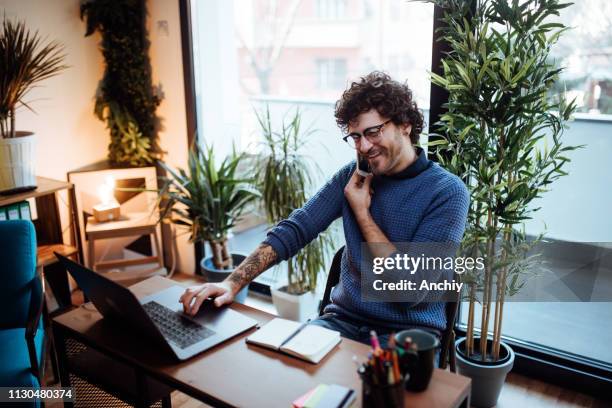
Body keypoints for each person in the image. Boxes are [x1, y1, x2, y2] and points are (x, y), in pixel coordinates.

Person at [180, 71, 469, 347]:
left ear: (405, 124)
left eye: (373, 132)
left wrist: (363, 214)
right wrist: (233, 283)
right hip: (341, 322)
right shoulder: (352, 176)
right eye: (355, 137)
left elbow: (410, 291)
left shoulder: (447, 192)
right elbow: (296, 228)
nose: (364, 146)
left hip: (407, 334)